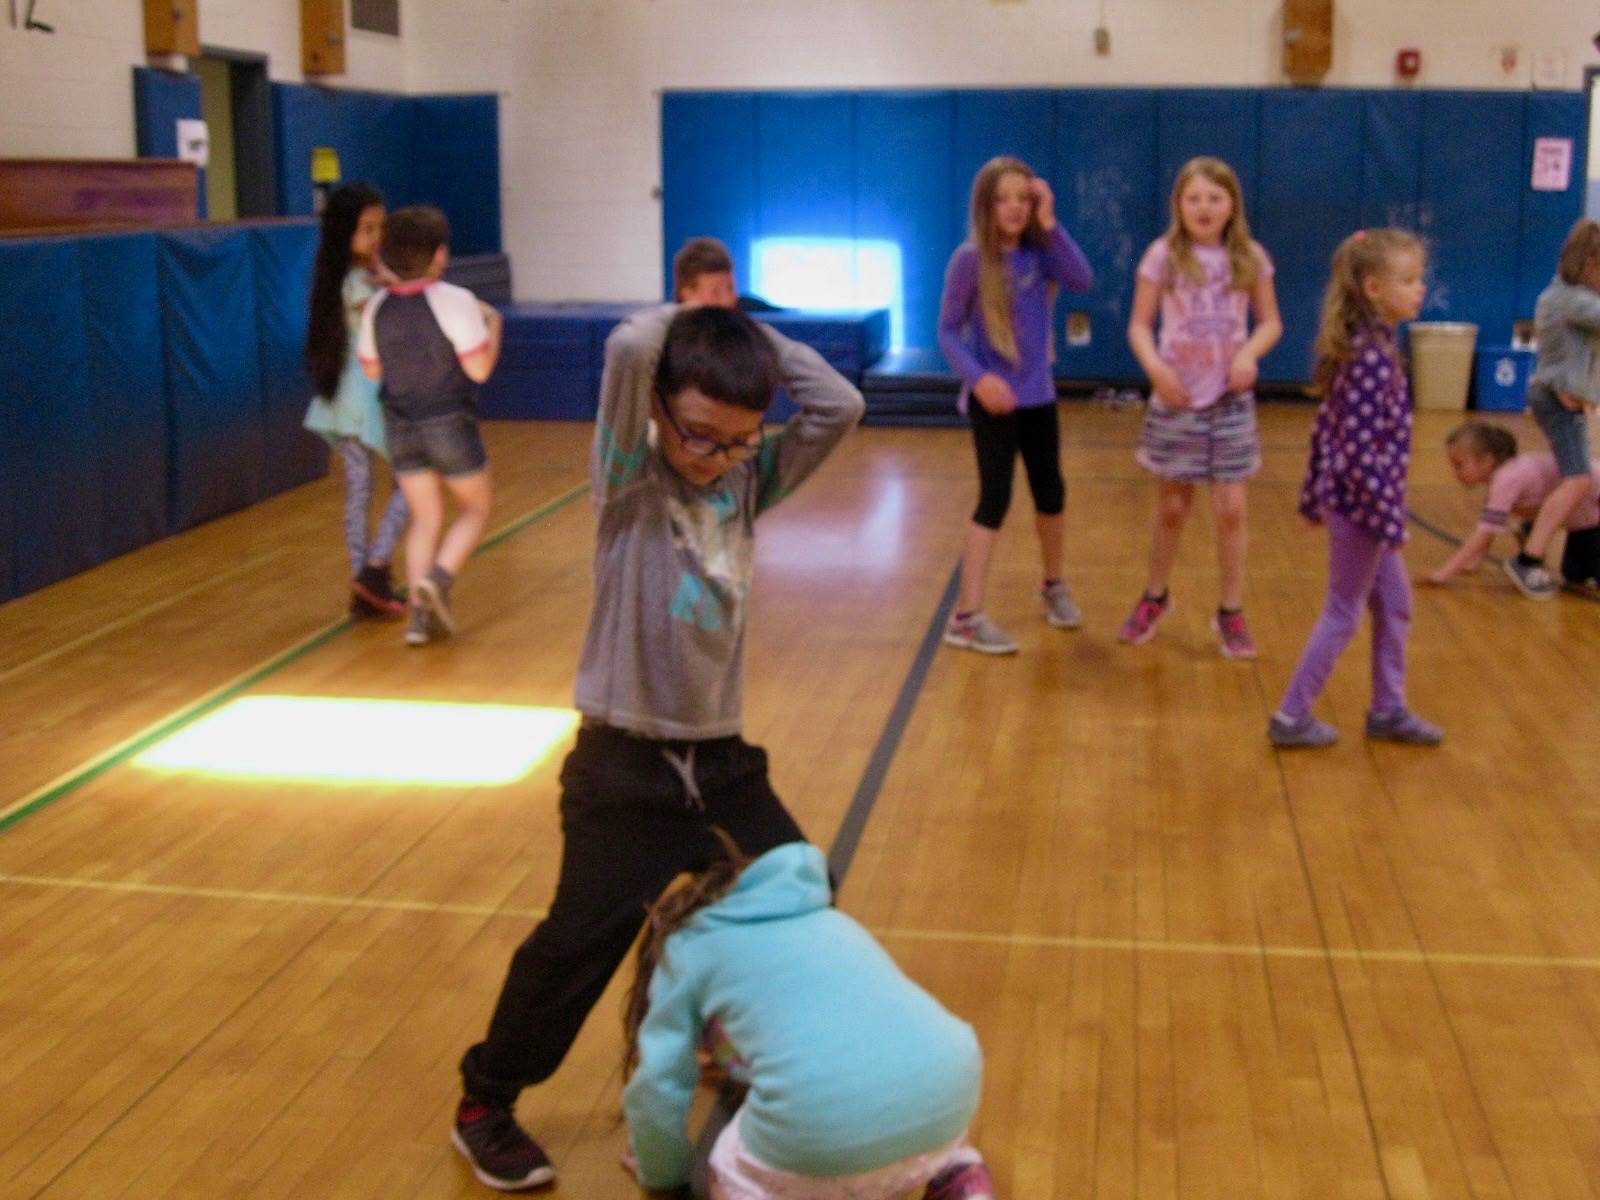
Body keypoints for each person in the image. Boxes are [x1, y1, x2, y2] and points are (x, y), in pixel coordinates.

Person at [451, 303, 864, 1191]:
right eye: (701, 436)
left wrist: (758, 339)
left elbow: (840, 407)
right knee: (578, 949)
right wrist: (700, 314)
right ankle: (486, 1099)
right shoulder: (629, 482)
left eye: (740, 440)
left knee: (800, 897)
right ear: (660, 414)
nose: (716, 457)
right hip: (623, 769)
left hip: (720, 763)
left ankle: (715, 1032)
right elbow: (631, 346)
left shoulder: (749, 485)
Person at [621, 839, 993, 1200]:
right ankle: (960, 1176)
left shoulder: (688, 946)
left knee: (727, 1168)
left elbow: (659, 1085)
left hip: (822, 1126)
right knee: (918, 1120)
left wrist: (659, 1173)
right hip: (951, 1086)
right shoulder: (828, 918)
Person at [1269, 229, 1441, 749]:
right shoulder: (1369, 358)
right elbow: (1360, 450)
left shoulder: (1375, 346)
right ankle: (1291, 716)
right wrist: (1387, 518)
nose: (1419, 289)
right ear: (1373, 287)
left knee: (1395, 602)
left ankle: (1388, 708)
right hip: (1362, 508)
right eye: (1408, 280)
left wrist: (1310, 494)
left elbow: (1326, 427)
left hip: (1364, 505)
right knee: (1343, 611)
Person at [1116, 157, 1283, 658]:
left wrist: (1250, 354)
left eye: (1215, 198)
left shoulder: (1250, 257)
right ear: (1179, 205)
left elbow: (1271, 322)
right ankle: (1155, 595)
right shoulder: (1162, 256)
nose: (1204, 207)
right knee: (1172, 507)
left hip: (1229, 401)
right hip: (1179, 397)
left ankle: (1231, 610)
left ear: (1233, 205)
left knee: (1231, 510)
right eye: (1194, 198)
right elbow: (1140, 325)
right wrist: (1157, 371)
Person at [937, 155, 1095, 654]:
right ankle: (965, 617)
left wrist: (1051, 222)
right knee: (995, 499)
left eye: (1022, 199)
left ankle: (1054, 584)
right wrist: (980, 380)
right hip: (995, 403)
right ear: (986, 204)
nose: (1014, 209)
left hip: (1038, 399)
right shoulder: (969, 260)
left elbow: (1083, 279)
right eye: (1003, 199)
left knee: (1051, 493)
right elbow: (947, 331)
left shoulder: (1041, 253)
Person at [357, 205, 504, 646]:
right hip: (448, 420)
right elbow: (478, 370)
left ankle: (420, 621)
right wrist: (493, 325)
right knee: (475, 509)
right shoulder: (455, 300)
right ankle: (438, 581)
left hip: (400, 424)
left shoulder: (377, 307)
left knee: (425, 518)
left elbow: (370, 372)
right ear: (440, 255)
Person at [301, 182, 409, 618]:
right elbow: (398, 315)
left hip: (345, 401)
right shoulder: (358, 284)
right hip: (362, 401)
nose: (376, 237)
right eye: (367, 229)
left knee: (360, 489)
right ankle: (373, 573)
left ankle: (365, 577)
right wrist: (392, 280)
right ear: (344, 232)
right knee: (412, 482)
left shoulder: (342, 280)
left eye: (380, 227)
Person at [1502, 218, 1600, 599]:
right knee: (1578, 480)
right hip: (1558, 399)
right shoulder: (1574, 301)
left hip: (1556, 396)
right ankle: (1529, 558)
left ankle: (1543, 532)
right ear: (1590, 263)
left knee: (1579, 480)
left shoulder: (1558, 295)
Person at [1425, 421, 1600, 589]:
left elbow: (1484, 531)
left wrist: (1445, 572)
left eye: (1459, 465)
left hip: (1594, 501)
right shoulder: (1502, 478)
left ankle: (1530, 530)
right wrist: (1475, 562)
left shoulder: (1506, 479)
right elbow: (1490, 528)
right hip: (1583, 520)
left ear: (1486, 461)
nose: (1455, 472)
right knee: (1574, 573)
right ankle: (1531, 528)